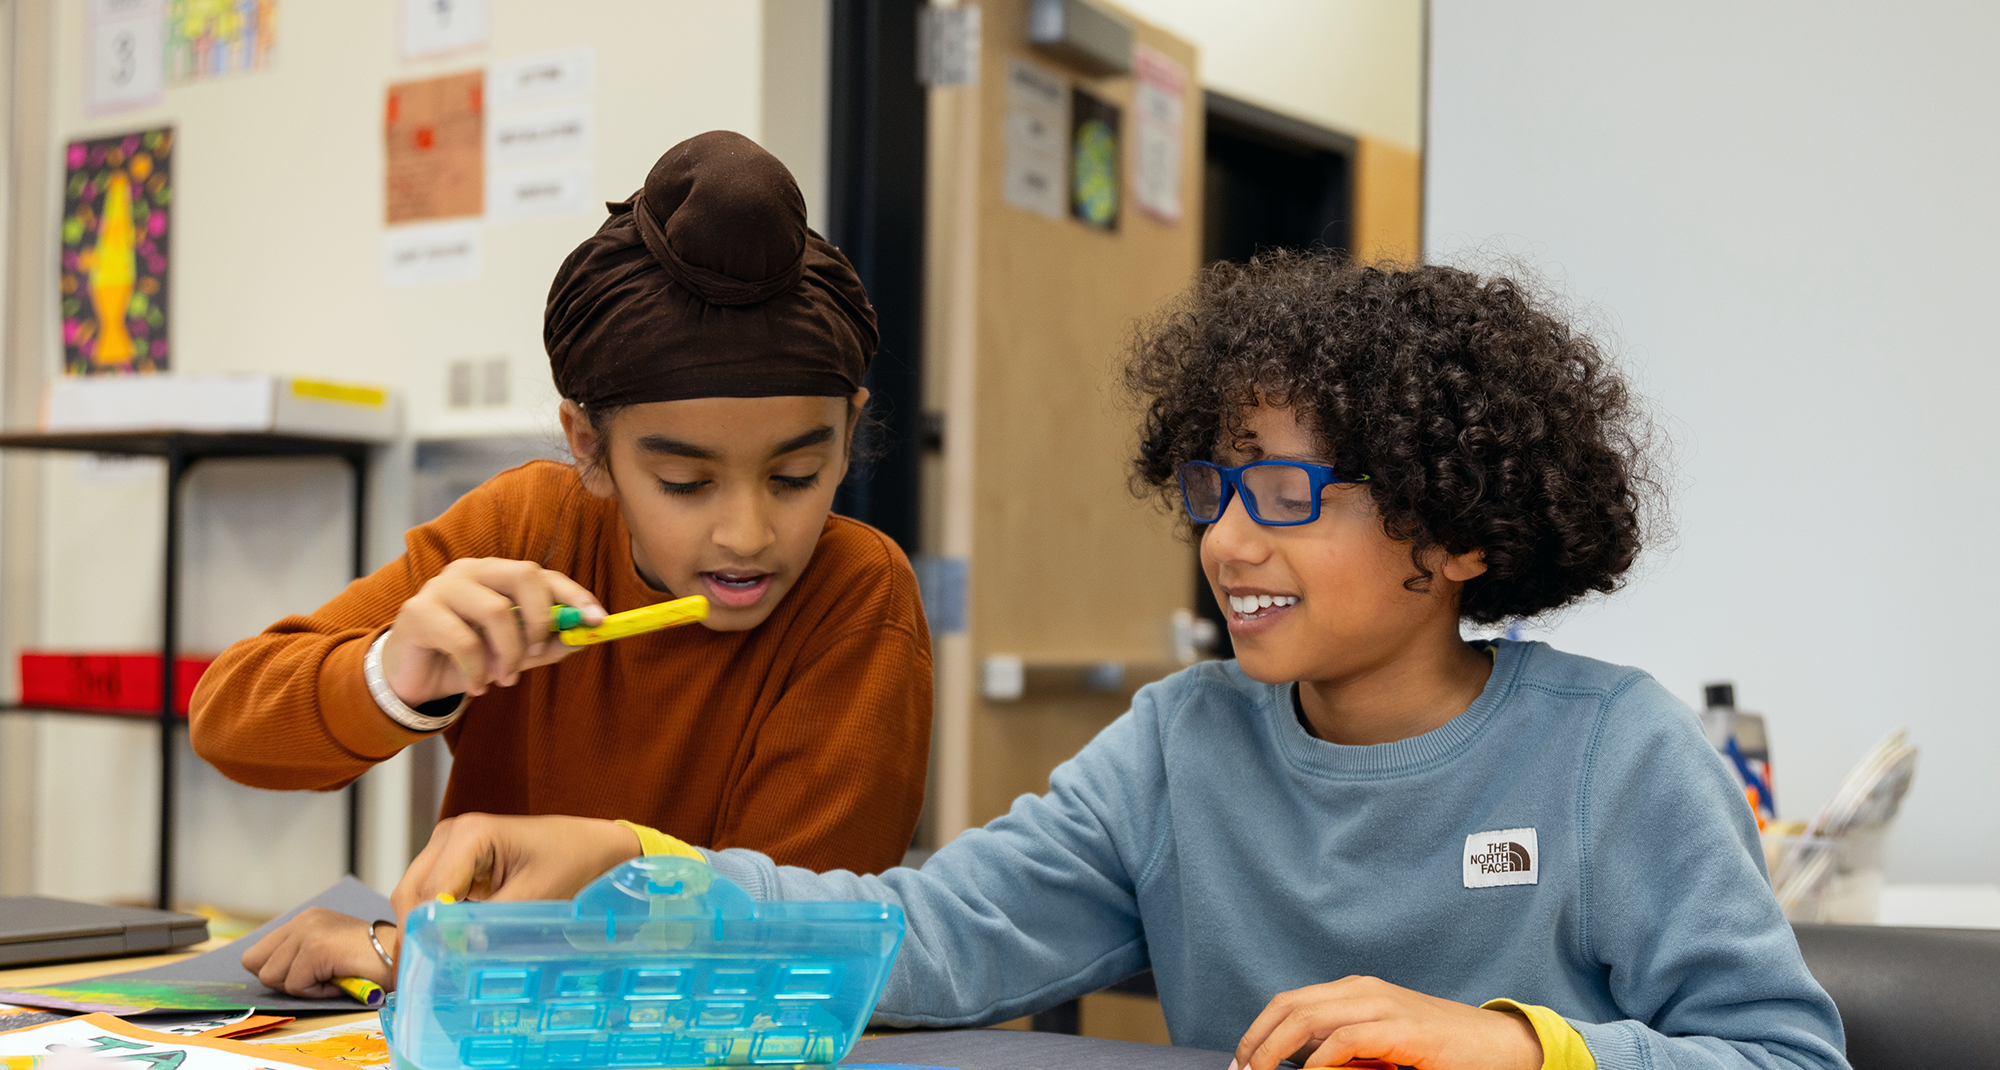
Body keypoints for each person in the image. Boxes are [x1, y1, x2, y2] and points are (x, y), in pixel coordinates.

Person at [281, 255, 1848, 1070]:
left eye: (1286, 495)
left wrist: (1516, 1041)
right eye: (1210, 487)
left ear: (1456, 534)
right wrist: (638, 860)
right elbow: (927, 937)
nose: (1230, 541)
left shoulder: (1610, 752)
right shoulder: (1181, 748)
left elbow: (1781, 1051)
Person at [194, 132, 933, 997]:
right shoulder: (522, 528)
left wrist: (404, 955)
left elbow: (783, 952)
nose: (747, 532)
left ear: (850, 433)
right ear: (590, 447)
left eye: (796, 476)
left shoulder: (856, 600)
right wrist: (397, 675)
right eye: (686, 482)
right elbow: (229, 723)